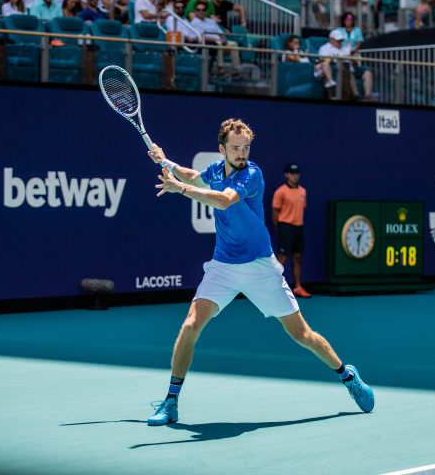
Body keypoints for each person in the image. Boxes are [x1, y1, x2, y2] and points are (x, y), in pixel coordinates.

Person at [144, 118, 375, 426]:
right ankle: (171, 401)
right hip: (224, 265)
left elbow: (224, 200)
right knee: (190, 325)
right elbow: (194, 176)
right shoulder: (214, 170)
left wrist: (181, 189)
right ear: (222, 149)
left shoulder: (252, 174)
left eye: (246, 147)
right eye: (236, 148)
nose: (242, 153)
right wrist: (165, 160)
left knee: (301, 334)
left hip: (259, 267)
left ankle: (348, 376)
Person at [272, 163, 311, 298]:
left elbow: (301, 209)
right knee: (282, 258)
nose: (295, 176)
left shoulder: (303, 191)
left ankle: (298, 287)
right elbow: (275, 211)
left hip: (298, 228)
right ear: (286, 174)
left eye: (296, 173)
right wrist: (279, 228)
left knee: (297, 257)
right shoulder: (280, 191)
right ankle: (274, 288)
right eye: (292, 173)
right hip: (285, 227)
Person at [318, 28, 374, 100]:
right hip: (337, 69)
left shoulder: (345, 48)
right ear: (331, 39)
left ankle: (367, 96)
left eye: (341, 40)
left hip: (351, 67)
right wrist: (342, 57)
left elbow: (354, 59)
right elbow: (325, 61)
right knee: (346, 70)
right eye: (338, 40)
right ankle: (356, 95)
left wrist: (354, 59)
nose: (340, 42)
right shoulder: (324, 48)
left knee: (367, 72)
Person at [190, 0, 241, 77]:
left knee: (234, 44)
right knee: (218, 44)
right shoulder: (194, 23)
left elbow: (220, 32)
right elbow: (199, 37)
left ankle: (236, 70)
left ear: (206, 11)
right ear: (195, 11)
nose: (201, 11)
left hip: (220, 42)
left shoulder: (211, 21)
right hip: (209, 44)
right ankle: (221, 69)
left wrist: (223, 38)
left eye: (203, 10)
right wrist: (217, 40)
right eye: (198, 10)